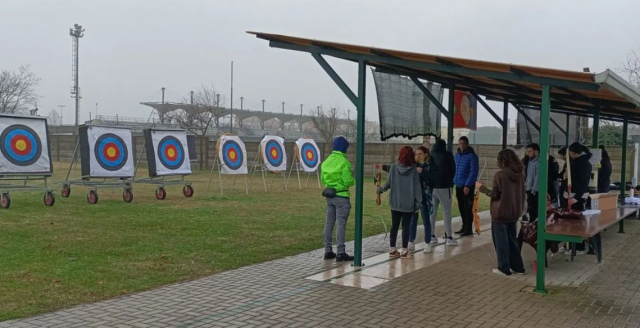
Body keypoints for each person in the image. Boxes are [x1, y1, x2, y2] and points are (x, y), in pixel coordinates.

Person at [477, 149, 526, 276]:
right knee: (512, 240)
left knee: (501, 242)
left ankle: (503, 267)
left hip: (500, 212)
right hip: (514, 212)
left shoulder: (500, 175)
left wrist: (481, 188)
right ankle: (518, 267)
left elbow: (495, 194)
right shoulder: (520, 174)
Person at [377, 146, 423, 259]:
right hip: (408, 204)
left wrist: (380, 190)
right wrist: (418, 204)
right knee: (406, 226)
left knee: (395, 225)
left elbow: (388, 183)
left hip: (395, 202)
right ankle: (404, 251)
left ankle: (392, 249)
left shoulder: (393, 167)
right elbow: (417, 188)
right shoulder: (413, 170)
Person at [320, 136, 355, 262]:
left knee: (329, 223)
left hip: (330, 197)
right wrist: (353, 180)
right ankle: (341, 252)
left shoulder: (326, 161)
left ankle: (328, 251)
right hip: (342, 196)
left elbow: (323, 180)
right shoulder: (344, 162)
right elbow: (348, 181)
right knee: (341, 225)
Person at [428, 139, 458, 246]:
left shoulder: (430, 155)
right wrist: (449, 180)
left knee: (432, 212)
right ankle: (449, 237)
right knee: (446, 212)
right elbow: (453, 170)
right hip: (445, 187)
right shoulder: (448, 155)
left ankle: (431, 236)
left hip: (432, 188)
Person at [409, 146, 433, 253]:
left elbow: (433, 179)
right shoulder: (413, 166)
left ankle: (427, 242)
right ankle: (411, 241)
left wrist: (422, 171)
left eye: (420, 154)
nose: (418, 156)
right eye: (416, 154)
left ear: (426, 155)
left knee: (426, 220)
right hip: (414, 198)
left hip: (424, 198)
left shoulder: (429, 166)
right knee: (413, 220)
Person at [454, 136, 479, 236]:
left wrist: (468, 185)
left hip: (467, 186)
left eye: (464, 143)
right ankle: (464, 226)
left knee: (468, 208)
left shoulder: (472, 156)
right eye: (460, 143)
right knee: (461, 207)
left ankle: (468, 229)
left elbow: (474, 171)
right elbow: (455, 170)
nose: (462, 145)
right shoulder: (457, 155)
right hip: (458, 185)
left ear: (467, 144)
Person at [525, 143, 541, 222]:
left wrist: (533, 191)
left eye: (530, 151)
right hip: (529, 189)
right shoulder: (530, 161)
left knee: (534, 210)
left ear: (536, 152)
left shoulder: (538, 162)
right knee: (530, 210)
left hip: (534, 191)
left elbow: (538, 178)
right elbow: (529, 176)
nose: (528, 153)